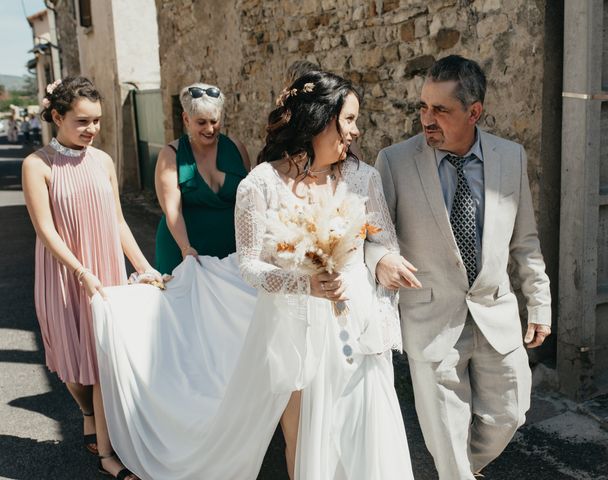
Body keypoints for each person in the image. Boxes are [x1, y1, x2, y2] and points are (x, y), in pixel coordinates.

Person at [91, 71, 414, 480]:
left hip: (358, 319)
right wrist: (304, 283)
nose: (356, 130)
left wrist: (383, 261)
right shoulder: (260, 183)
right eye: (348, 119)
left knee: (366, 427)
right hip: (296, 323)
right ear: (318, 119)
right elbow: (250, 264)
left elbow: (381, 240)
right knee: (301, 432)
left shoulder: (363, 177)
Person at [368, 54, 552, 479]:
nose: (426, 119)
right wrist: (381, 261)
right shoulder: (394, 161)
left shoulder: (511, 157)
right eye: (423, 107)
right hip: (431, 320)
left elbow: (525, 241)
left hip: (495, 315)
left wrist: (538, 304)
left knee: (511, 413)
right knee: (446, 441)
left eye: (440, 110)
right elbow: (373, 237)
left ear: (474, 112)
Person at [22, 76, 161, 480]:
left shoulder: (102, 161)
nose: (92, 129)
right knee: (72, 365)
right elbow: (45, 230)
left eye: (97, 121)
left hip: (106, 272)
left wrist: (143, 267)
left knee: (102, 361)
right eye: (82, 121)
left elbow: (118, 222)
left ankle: (107, 452)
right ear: (56, 116)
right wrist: (81, 271)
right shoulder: (37, 165)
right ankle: (87, 414)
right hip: (64, 274)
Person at [154, 83, 250, 274]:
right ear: (186, 119)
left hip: (231, 252)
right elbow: (172, 210)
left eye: (214, 121)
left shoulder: (236, 148)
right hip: (185, 250)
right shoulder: (171, 155)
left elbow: (249, 201)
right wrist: (185, 248)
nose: (210, 129)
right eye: (201, 122)